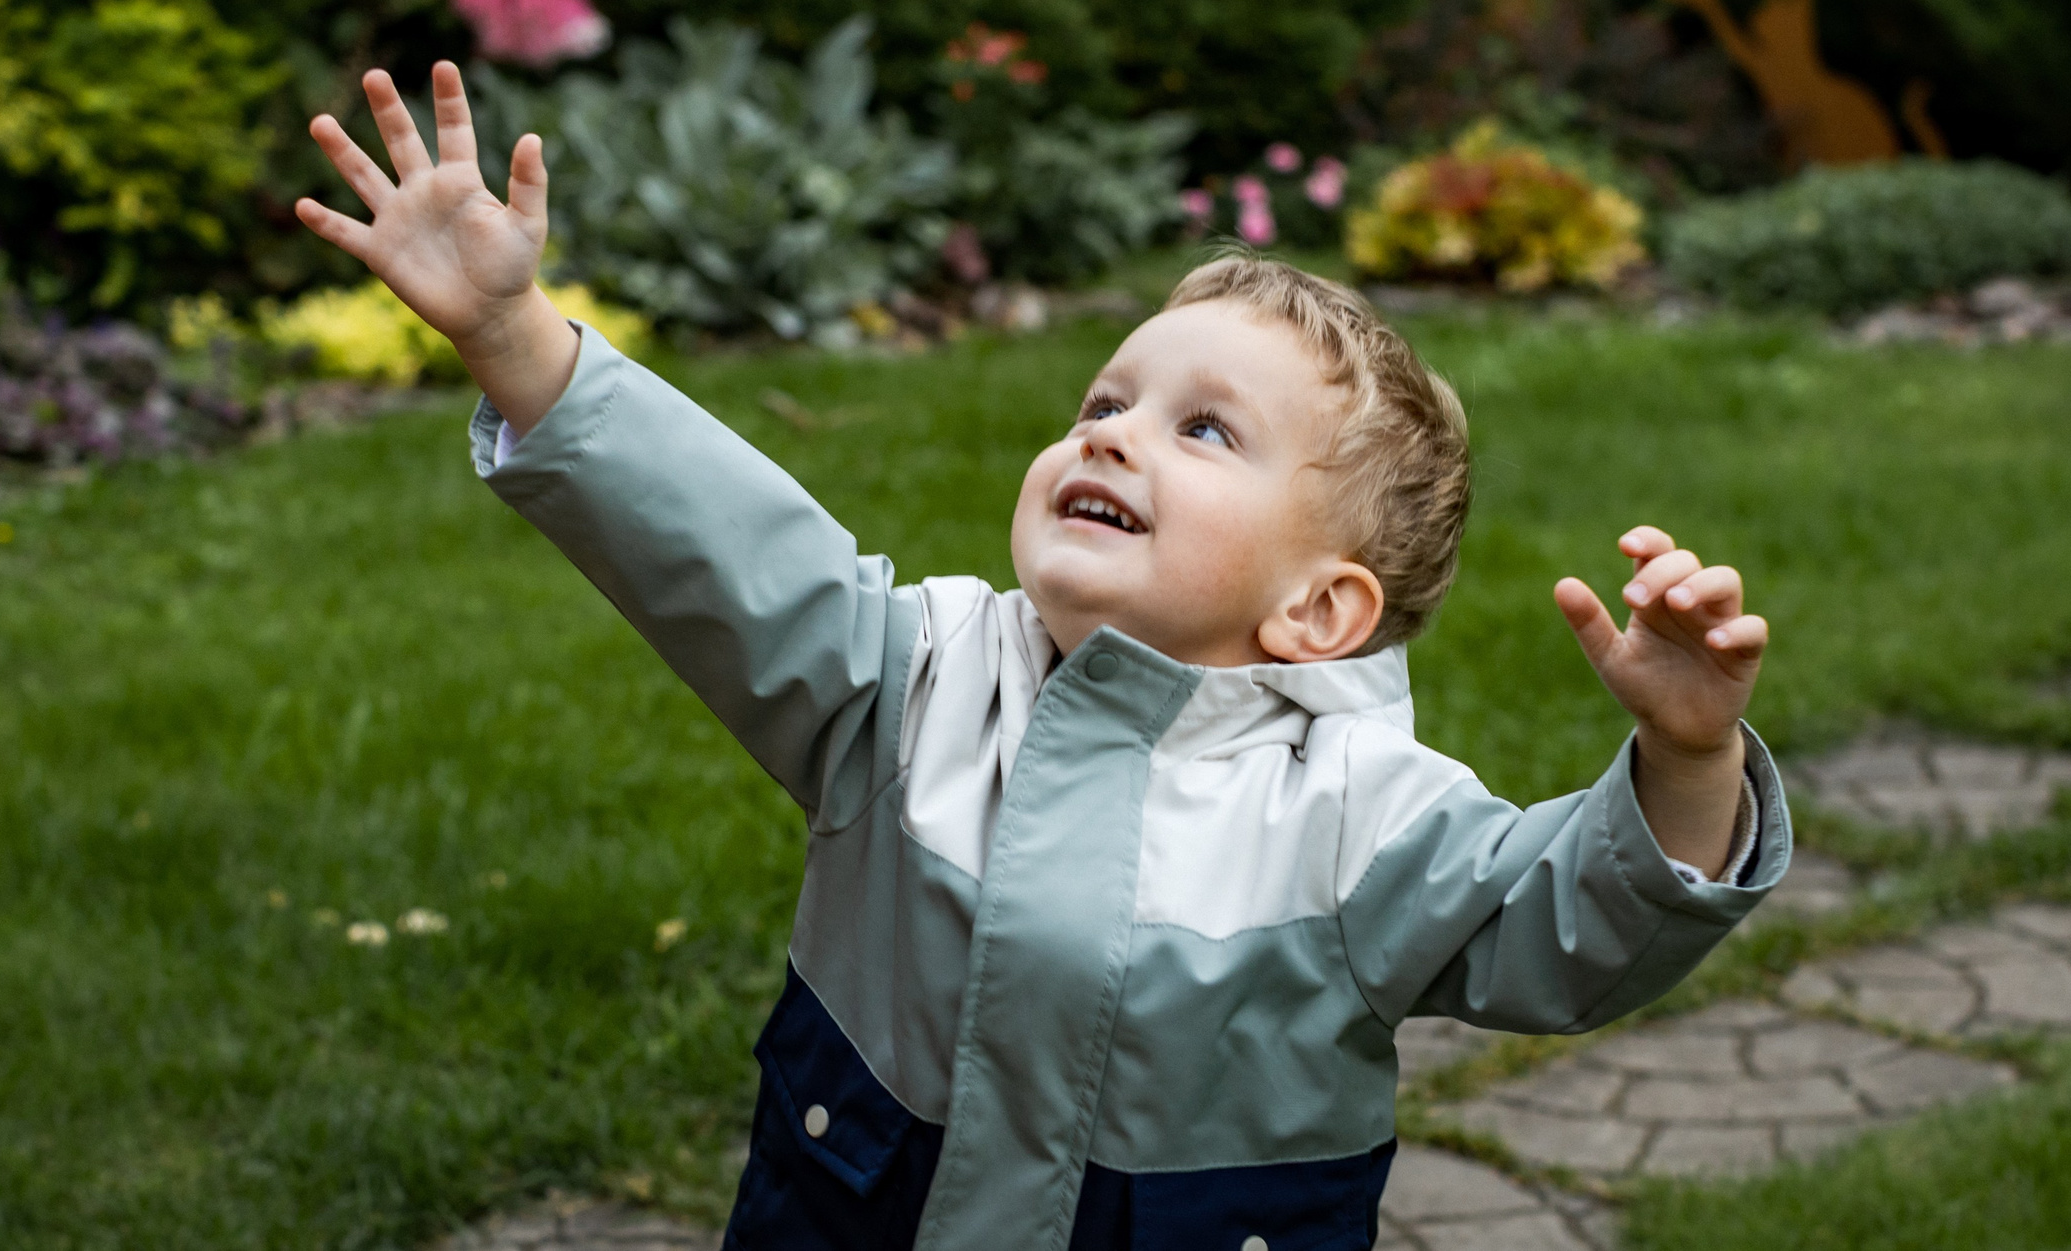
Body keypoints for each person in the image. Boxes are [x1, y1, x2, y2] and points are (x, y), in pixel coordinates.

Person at [295, 63, 1790, 1251]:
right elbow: (713, 539)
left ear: (1318, 613)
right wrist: (513, 334)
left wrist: (1687, 758)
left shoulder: (1361, 814)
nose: (1112, 434)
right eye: (1106, 400)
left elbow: (1570, 930)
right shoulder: (913, 680)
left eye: (1204, 430)